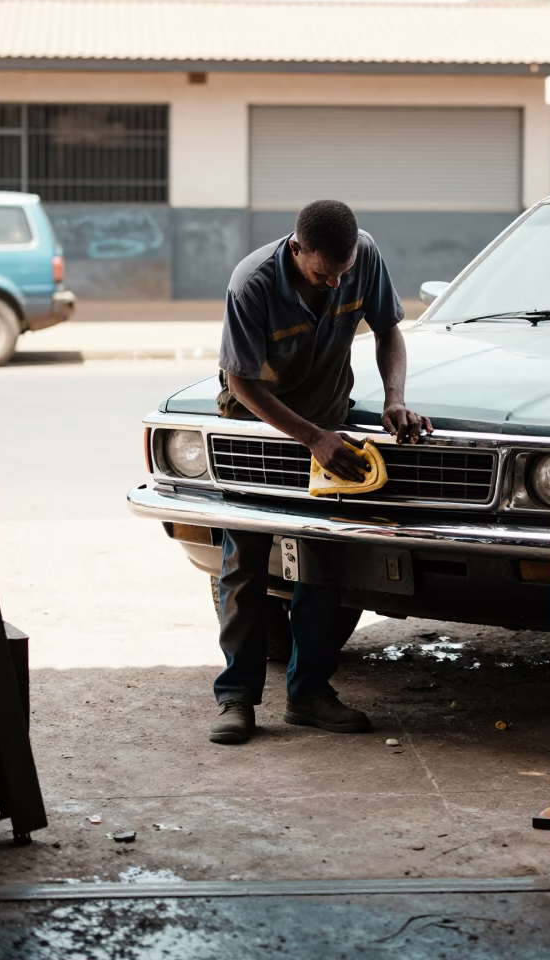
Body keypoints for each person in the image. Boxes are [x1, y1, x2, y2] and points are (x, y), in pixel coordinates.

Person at [210, 199, 432, 745]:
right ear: (296, 248)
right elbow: (241, 383)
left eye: (342, 272)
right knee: (246, 564)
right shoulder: (252, 284)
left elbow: (388, 331)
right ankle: (236, 699)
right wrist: (311, 438)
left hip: (330, 424)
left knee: (326, 561)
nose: (334, 284)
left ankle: (308, 693)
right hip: (260, 431)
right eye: (321, 273)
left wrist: (395, 400)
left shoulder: (365, 258)